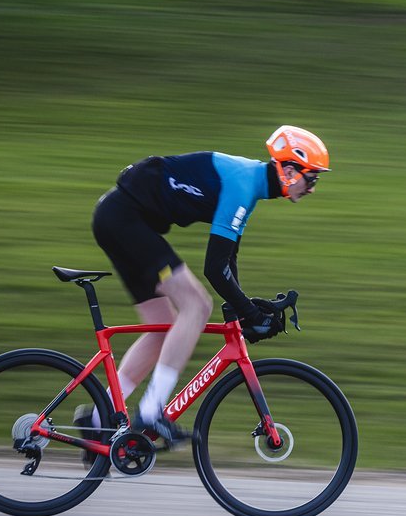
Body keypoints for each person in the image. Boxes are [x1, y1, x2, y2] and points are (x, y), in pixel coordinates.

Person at [78, 125, 330, 446]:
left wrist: (245, 310)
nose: (312, 188)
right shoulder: (243, 184)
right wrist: (248, 312)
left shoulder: (249, 185)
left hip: (118, 219)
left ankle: (98, 422)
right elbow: (215, 268)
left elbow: (228, 261)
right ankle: (153, 409)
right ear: (291, 170)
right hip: (126, 220)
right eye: (312, 178)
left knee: (163, 327)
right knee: (197, 305)